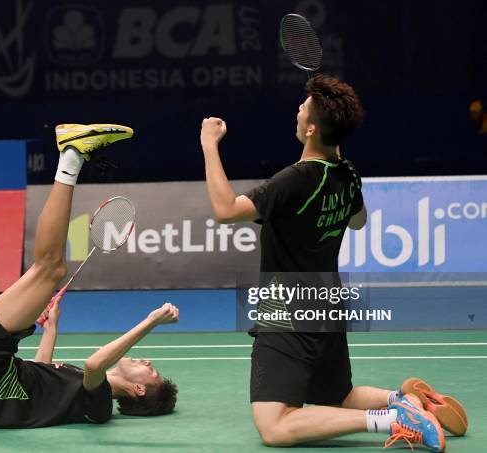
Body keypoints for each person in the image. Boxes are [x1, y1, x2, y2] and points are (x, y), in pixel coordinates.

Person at [199, 75, 466, 451]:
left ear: (311, 128)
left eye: (303, 107)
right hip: (328, 303)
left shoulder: (294, 180)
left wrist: (209, 145)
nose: (298, 108)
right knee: (337, 396)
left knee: (274, 425)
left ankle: (395, 418)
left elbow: (226, 210)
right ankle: (403, 398)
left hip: (287, 310)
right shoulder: (348, 174)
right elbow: (358, 220)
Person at [0, 124, 178, 428]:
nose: (149, 364)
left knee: (51, 268)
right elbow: (36, 371)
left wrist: (151, 321)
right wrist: (51, 329)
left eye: (152, 373)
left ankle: (72, 153)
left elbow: (95, 364)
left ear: (139, 391)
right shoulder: (76, 389)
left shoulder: (100, 407)